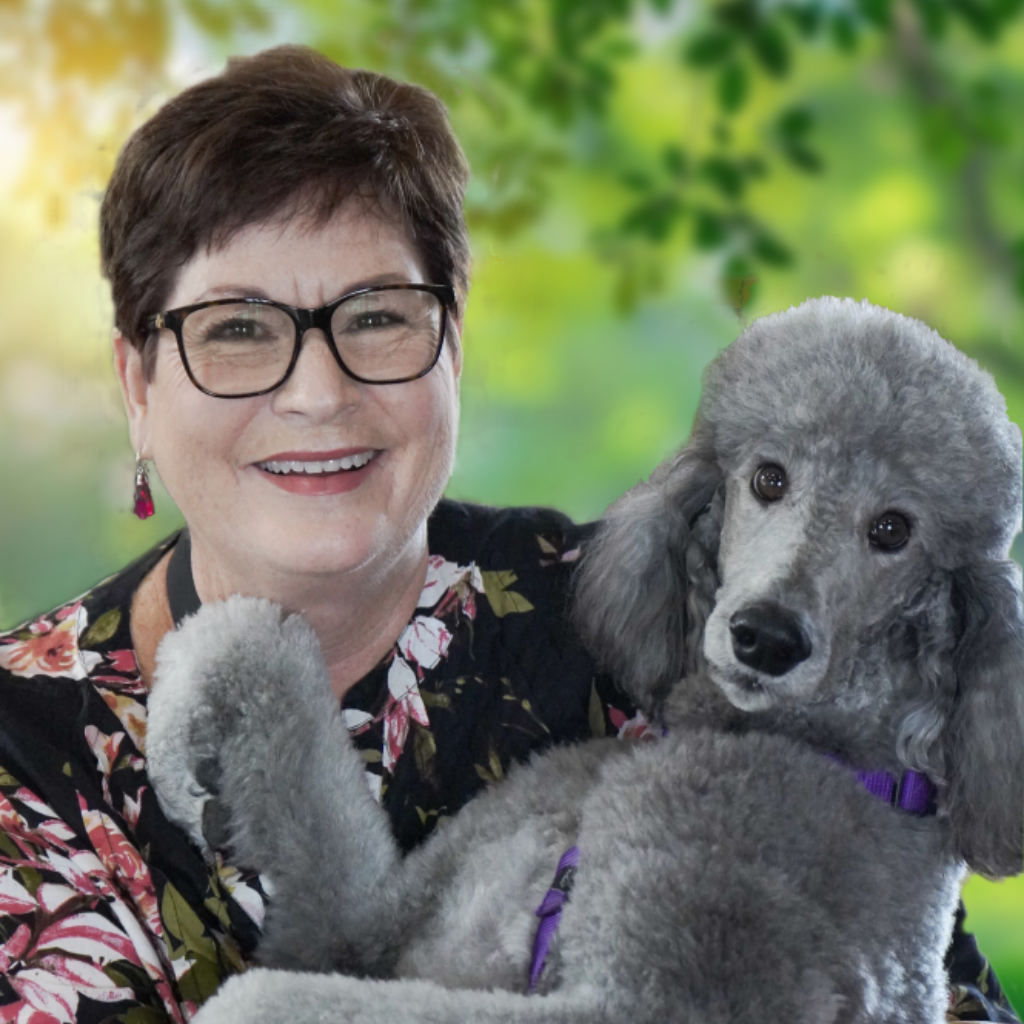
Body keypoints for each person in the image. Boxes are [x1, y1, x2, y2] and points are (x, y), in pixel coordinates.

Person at [0, 45, 1016, 1024]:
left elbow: (927, 981)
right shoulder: (21, 762)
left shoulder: (649, 617)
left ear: (451, 345)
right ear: (137, 386)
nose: (316, 393)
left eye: (377, 317)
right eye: (236, 328)